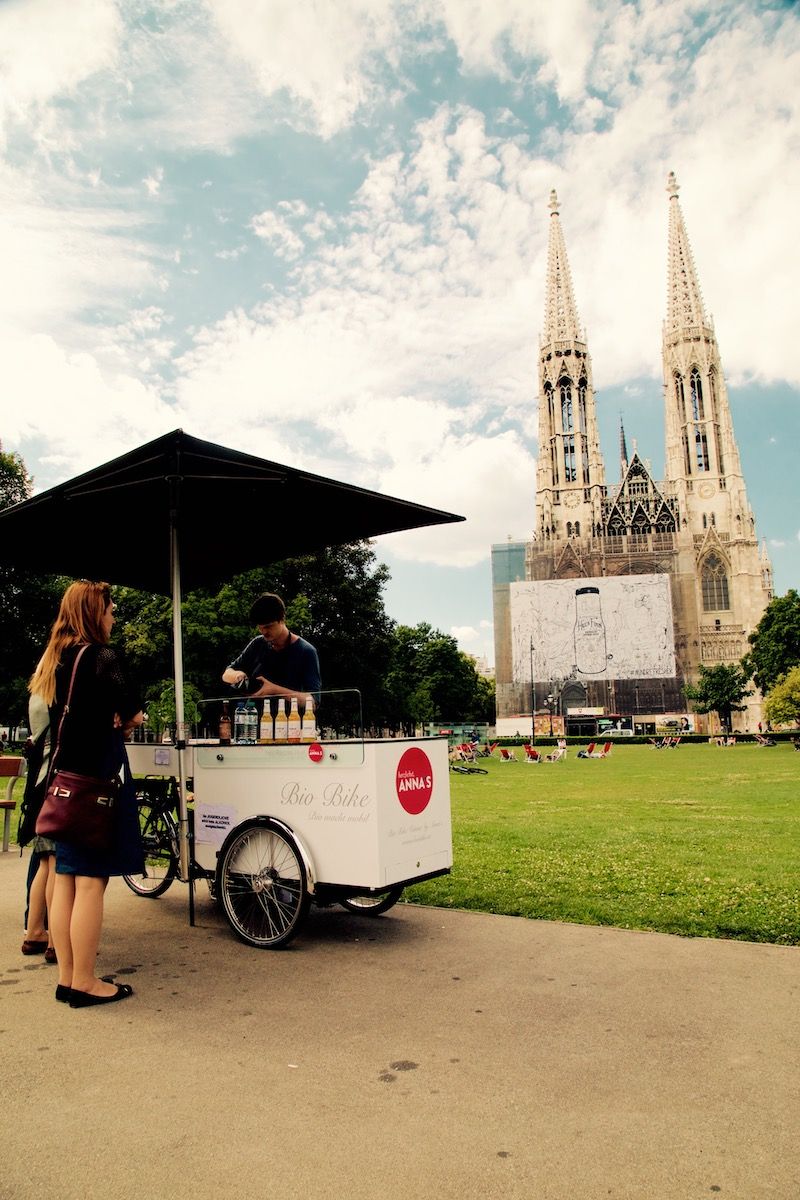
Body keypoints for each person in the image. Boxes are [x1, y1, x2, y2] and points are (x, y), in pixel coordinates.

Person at [29, 580, 144, 1008]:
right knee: (92, 882)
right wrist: (123, 717)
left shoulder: (56, 660)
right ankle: (86, 981)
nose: (114, 616)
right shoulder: (101, 656)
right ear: (96, 612)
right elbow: (134, 713)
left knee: (66, 879)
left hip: (64, 782)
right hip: (97, 781)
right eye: (111, 609)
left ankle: (67, 978)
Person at [222, 592, 321, 700]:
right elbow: (226, 674)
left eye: (268, 627)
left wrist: (274, 690)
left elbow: (313, 701)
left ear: (282, 619)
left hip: (289, 711)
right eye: (260, 627)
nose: (263, 632)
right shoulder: (257, 643)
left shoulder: (306, 651)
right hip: (253, 710)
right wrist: (238, 676)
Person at [18, 693, 57, 962]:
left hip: (41, 777)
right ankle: (56, 939)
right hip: (56, 777)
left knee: (43, 858)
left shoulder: (39, 688)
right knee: (55, 861)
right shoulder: (59, 686)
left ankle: (34, 929)